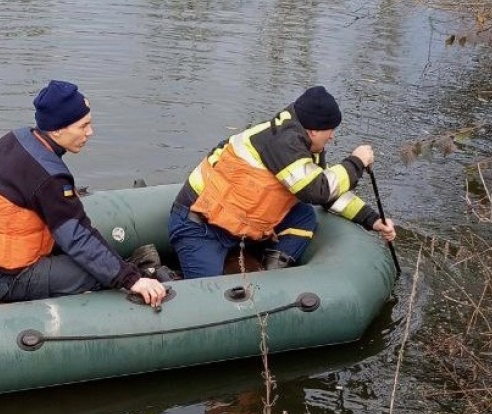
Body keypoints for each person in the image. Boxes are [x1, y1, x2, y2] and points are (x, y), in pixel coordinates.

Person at [0, 80, 167, 307]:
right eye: (83, 126)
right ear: (58, 129)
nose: (90, 132)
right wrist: (131, 279)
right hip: (7, 279)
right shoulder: (49, 178)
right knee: (100, 274)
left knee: (102, 260)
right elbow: (77, 238)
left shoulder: (14, 139)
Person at [167, 86, 397, 279]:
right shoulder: (283, 144)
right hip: (200, 225)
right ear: (314, 130)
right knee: (208, 295)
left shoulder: (302, 144)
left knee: (304, 215)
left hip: (238, 222)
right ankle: (161, 275)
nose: (332, 136)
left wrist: (372, 220)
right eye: (330, 130)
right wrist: (356, 162)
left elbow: (329, 193)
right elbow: (317, 191)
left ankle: (271, 278)